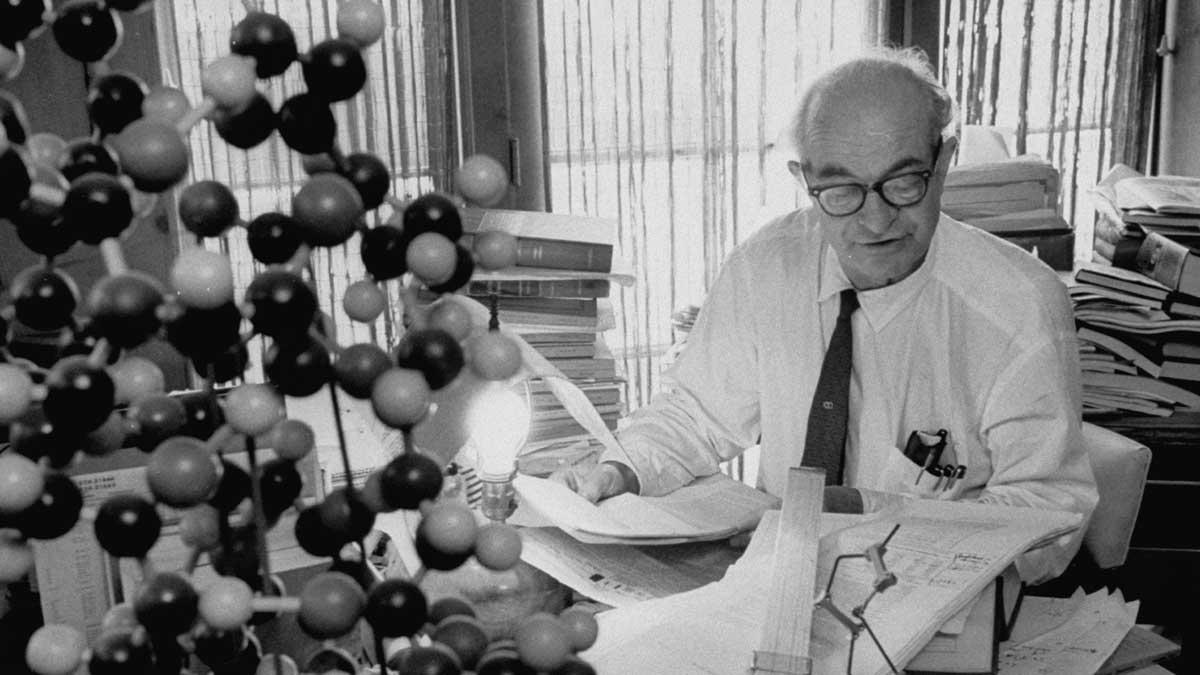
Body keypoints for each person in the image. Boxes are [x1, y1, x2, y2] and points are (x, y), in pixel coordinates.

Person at [552, 46, 1097, 583]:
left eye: (904, 183)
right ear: (804, 179)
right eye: (841, 191)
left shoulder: (1019, 304)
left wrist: (873, 515)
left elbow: (1050, 514)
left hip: (942, 608)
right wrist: (620, 468)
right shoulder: (767, 266)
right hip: (778, 590)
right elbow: (696, 414)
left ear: (945, 160)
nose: (876, 219)